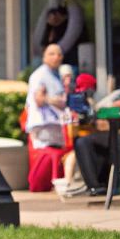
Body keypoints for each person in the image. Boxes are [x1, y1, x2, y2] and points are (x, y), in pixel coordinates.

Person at [70, 67, 120, 197]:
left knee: (82, 142)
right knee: (85, 142)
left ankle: (95, 186)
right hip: (117, 132)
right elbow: (102, 111)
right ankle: (97, 185)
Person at [23, 44, 72, 192]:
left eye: (59, 54)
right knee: (47, 156)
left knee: (58, 154)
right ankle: (44, 183)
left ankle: (53, 183)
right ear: (44, 57)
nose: (56, 57)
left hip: (55, 123)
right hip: (43, 124)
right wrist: (58, 101)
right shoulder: (40, 75)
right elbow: (39, 99)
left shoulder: (56, 75)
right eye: (52, 54)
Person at [31, 0, 85, 64]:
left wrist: (57, 50)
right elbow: (46, 26)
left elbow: (74, 27)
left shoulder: (72, 2)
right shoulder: (55, 2)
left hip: (69, 54)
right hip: (54, 51)